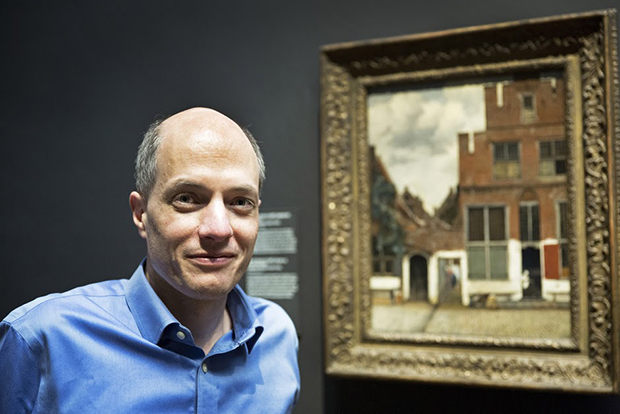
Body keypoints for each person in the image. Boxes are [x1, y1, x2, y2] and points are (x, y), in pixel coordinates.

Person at [0, 108, 300, 413]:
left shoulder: (276, 336)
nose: (219, 229)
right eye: (187, 198)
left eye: (240, 202)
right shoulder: (45, 339)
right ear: (140, 213)